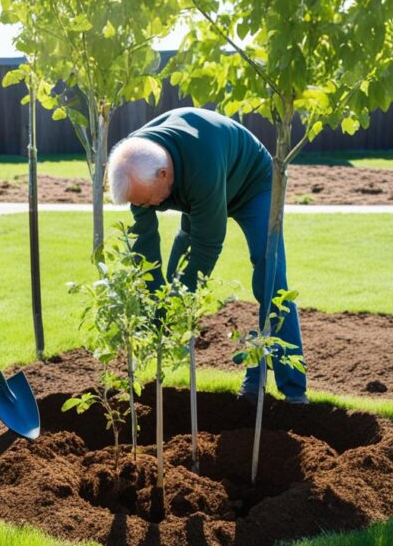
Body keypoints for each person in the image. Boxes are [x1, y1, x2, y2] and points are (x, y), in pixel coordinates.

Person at [108, 107, 307, 404]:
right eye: (141, 203)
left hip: (254, 182)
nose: (148, 207)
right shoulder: (134, 164)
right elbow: (144, 244)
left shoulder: (202, 163)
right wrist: (156, 306)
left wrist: (179, 305)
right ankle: (256, 368)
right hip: (199, 188)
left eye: (150, 201)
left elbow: (207, 247)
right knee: (175, 271)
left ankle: (293, 390)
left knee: (270, 273)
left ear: (164, 175)